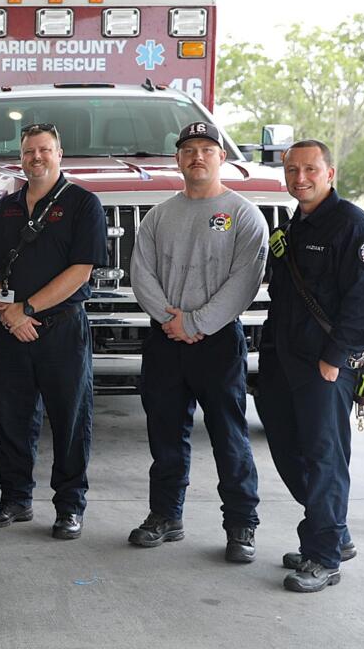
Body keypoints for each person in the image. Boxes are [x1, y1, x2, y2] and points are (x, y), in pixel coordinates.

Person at [127, 121, 267, 563]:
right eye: (189, 150)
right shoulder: (159, 215)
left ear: (221, 158)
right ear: (179, 159)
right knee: (165, 434)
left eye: (207, 149)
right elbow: (141, 273)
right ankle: (166, 515)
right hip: (166, 340)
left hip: (218, 341)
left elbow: (245, 280)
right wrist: (172, 321)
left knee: (229, 436)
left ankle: (241, 524)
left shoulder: (244, 214)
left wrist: (199, 322)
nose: (198, 157)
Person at [257, 139, 364, 593]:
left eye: (310, 169)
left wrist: (335, 360)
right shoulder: (295, 223)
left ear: (330, 173)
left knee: (324, 456)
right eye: (292, 170)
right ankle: (332, 530)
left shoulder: (354, 226)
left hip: (324, 364)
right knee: (288, 449)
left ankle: (325, 556)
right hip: (282, 360)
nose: (300, 178)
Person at [0, 123, 107, 540]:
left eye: (45, 150)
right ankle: (15, 499)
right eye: (29, 151)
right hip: (13, 330)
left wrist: (27, 308)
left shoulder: (84, 205)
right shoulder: (6, 208)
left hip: (62, 329)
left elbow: (81, 270)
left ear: (59, 153)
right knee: (14, 419)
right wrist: (9, 313)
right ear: (21, 157)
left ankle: (70, 506)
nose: (37, 157)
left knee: (70, 420)